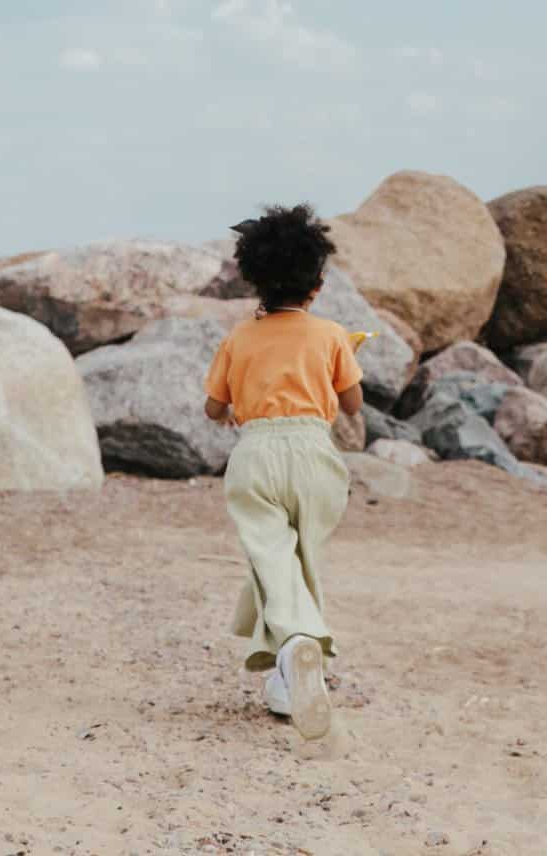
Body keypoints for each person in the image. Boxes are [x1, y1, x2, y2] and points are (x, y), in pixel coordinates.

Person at [203, 203, 363, 738]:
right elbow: (354, 402)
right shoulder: (331, 334)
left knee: (273, 560)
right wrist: (345, 357)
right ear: (316, 285)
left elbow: (213, 408)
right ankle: (286, 676)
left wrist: (234, 407)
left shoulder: (239, 337)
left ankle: (293, 648)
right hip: (315, 454)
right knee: (301, 561)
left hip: (256, 453)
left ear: (255, 284)